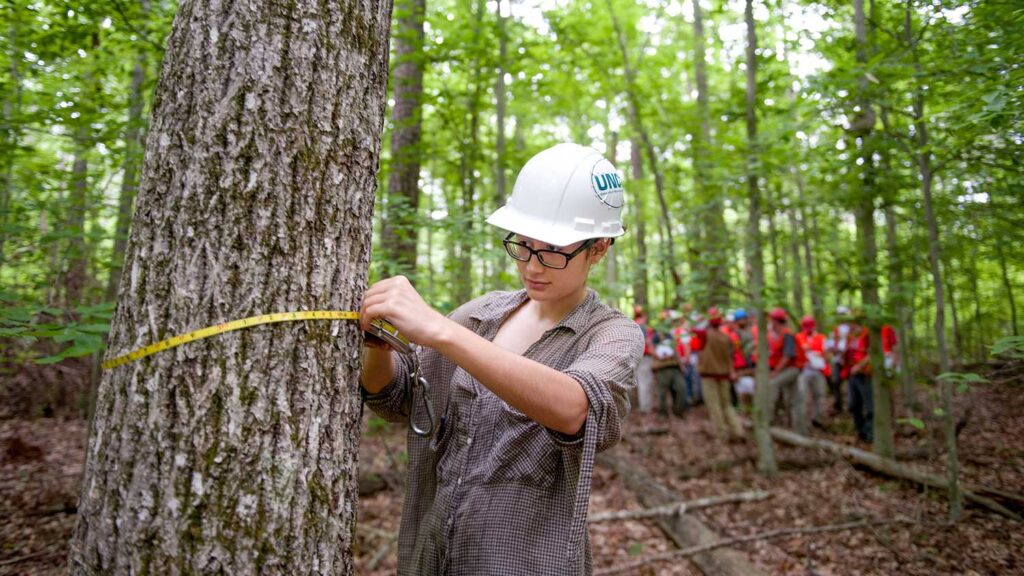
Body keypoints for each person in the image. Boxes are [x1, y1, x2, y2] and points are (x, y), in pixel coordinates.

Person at [359, 143, 644, 574]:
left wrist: (440, 330)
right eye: (523, 245)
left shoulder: (611, 334)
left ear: (598, 249)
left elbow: (575, 409)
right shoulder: (482, 314)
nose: (533, 266)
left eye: (553, 250)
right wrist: (378, 346)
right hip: (433, 556)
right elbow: (396, 396)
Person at [698, 307, 744, 441]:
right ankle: (738, 430)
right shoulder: (726, 338)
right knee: (727, 405)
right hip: (724, 375)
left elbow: (693, 331)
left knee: (714, 406)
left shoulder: (705, 335)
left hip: (709, 375)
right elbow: (730, 357)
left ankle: (721, 435)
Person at [766, 307, 808, 435]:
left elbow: (787, 356)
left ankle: (768, 419)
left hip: (792, 369)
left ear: (776, 321)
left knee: (773, 384)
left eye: (771, 320)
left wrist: (776, 372)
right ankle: (799, 430)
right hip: (785, 369)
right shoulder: (775, 336)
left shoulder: (787, 334)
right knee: (795, 399)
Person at [795, 315, 830, 428]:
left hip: (818, 370)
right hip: (804, 370)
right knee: (802, 395)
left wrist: (817, 353)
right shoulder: (798, 337)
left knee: (819, 395)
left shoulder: (821, 338)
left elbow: (827, 354)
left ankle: (817, 418)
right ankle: (802, 420)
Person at [844, 312, 874, 443]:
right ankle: (860, 431)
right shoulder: (850, 336)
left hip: (864, 374)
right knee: (853, 405)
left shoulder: (867, 334)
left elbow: (872, 353)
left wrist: (860, 366)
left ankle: (869, 433)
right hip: (852, 375)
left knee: (869, 406)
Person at [651, 317, 686, 417]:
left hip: (675, 366)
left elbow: (676, 351)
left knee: (681, 388)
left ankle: (678, 411)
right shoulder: (656, 336)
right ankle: (662, 413)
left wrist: (681, 365)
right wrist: (658, 356)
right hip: (662, 368)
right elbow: (651, 348)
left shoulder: (671, 336)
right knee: (662, 391)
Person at [824, 305, 852, 413]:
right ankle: (838, 404)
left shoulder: (851, 328)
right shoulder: (835, 330)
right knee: (835, 381)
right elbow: (829, 345)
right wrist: (833, 350)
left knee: (851, 383)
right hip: (838, 359)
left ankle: (851, 405)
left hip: (850, 361)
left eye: (843, 314)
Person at [633, 306, 657, 412]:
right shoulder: (642, 326)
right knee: (645, 381)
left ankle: (646, 405)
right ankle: (646, 407)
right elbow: (648, 341)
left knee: (643, 381)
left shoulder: (632, 324)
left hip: (637, 357)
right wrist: (655, 353)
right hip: (645, 356)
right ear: (644, 315)